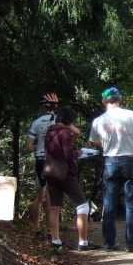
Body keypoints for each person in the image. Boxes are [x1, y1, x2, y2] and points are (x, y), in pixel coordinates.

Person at [88, 87, 133, 252]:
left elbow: (92, 142)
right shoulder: (132, 115)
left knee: (109, 203)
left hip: (110, 162)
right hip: (129, 160)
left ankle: (109, 242)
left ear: (103, 102)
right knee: (131, 204)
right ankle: (132, 243)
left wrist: (106, 138)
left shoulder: (99, 120)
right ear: (120, 99)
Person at [44, 107, 98, 251]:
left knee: (55, 208)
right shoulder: (64, 133)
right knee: (82, 206)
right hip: (65, 174)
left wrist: (72, 128)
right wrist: (78, 153)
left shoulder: (50, 131)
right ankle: (83, 242)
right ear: (70, 121)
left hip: (51, 173)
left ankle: (55, 241)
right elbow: (68, 155)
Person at [26, 93, 65, 238]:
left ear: (42, 107)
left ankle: (35, 227)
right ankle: (49, 229)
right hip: (53, 160)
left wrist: (40, 146)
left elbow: (29, 147)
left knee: (39, 196)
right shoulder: (59, 121)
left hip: (40, 160)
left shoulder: (36, 123)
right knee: (51, 196)